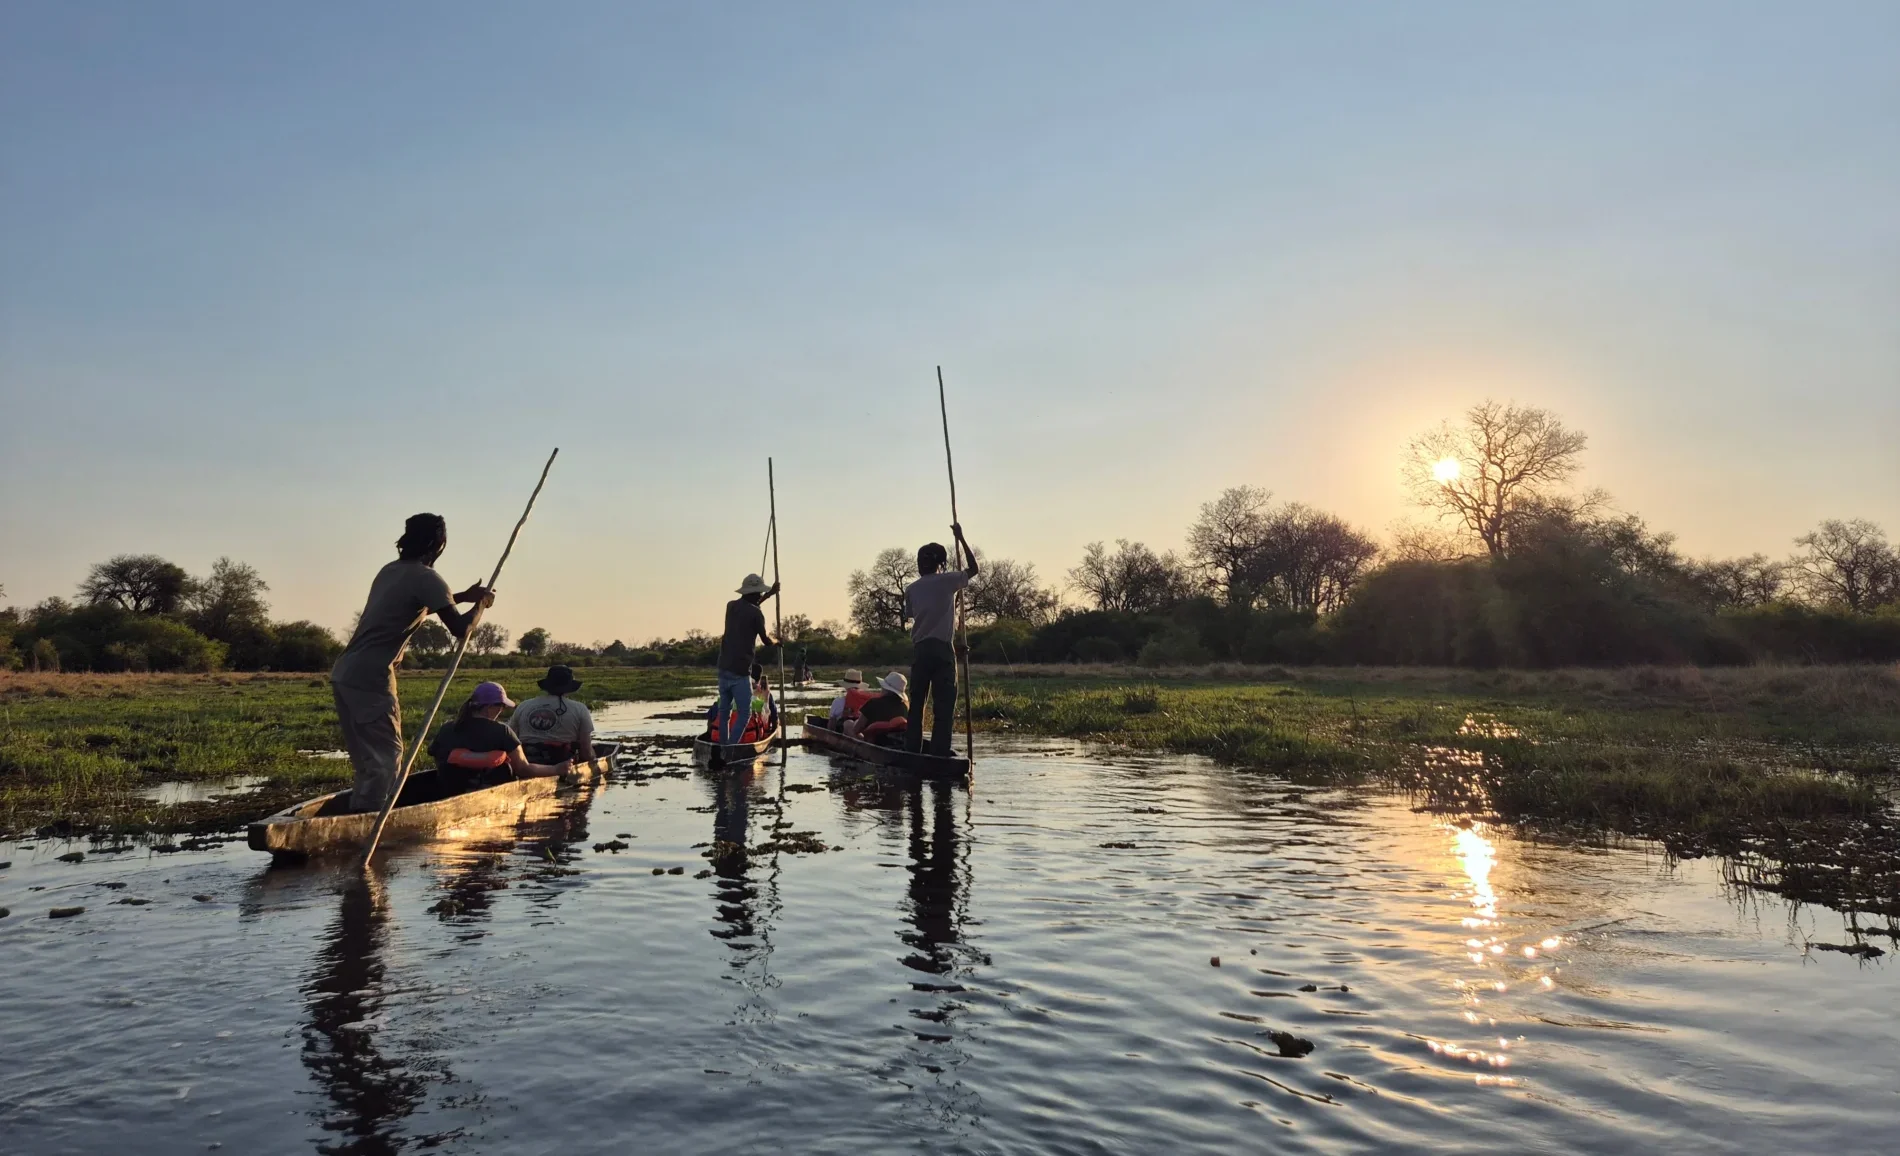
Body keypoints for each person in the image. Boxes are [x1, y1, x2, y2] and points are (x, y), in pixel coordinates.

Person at [331, 513, 494, 812]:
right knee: (387, 756)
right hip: (371, 675)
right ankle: (372, 825)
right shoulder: (427, 577)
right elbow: (460, 629)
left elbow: (413, 607)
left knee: (368, 759)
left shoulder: (390, 571)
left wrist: (463, 596)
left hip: (345, 672)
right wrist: (481, 604)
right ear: (440, 544)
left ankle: (362, 811)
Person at [904, 523, 979, 757]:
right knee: (944, 707)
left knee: (916, 706)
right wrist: (962, 537)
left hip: (921, 651)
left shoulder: (912, 589)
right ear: (941, 564)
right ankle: (938, 753)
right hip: (942, 652)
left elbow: (919, 618)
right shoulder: (947, 581)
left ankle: (912, 751)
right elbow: (974, 569)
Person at [427, 681, 570, 793]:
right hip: (486, 793)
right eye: (501, 707)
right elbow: (524, 769)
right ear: (490, 708)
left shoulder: (447, 728)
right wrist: (557, 769)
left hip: (449, 790)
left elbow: (437, 757)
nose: (501, 711)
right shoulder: (502, 731)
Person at [715, 573, 779, 744]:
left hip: (723, 668)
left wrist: (769, 595)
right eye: (758, 593)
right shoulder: (757, 614)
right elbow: (766, 640)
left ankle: (723, 745)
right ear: (755, 593)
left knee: (724, 712)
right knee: (745, 713)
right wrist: (777, 641)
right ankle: (731, 747)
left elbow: (750, 607)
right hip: (740, 672)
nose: (759, 595)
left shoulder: (731, 606)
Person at [509, 664, 598, 773]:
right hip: (563, 765)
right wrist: (594, 759)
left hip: (526, 764)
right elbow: (586, 751)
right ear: (569, 688)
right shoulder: (580, 708)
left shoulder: (524, 705)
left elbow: (510, 737)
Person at [848, 671, 910, 745]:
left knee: (848, 724)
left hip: (872, 742)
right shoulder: (905, 706)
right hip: (895, 743)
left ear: (886, 689)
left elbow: (856, 729)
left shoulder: (873, 703)